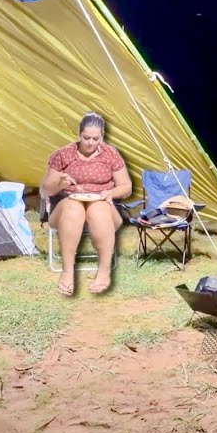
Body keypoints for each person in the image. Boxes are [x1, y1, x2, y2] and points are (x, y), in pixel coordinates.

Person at [41, 112, 133, 296]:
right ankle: (68, 272)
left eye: (95, 139)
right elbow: (47, 189)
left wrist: (110, 193)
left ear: (102, 135)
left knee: (98, 208)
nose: (91, 143)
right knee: (73, 208)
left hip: (103, 206)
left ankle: (104, 272)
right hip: (67, 205)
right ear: (79, 134)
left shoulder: (110, 154)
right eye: (86, 138)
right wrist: (60, 184)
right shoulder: (63, 154)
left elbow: (126, 187)